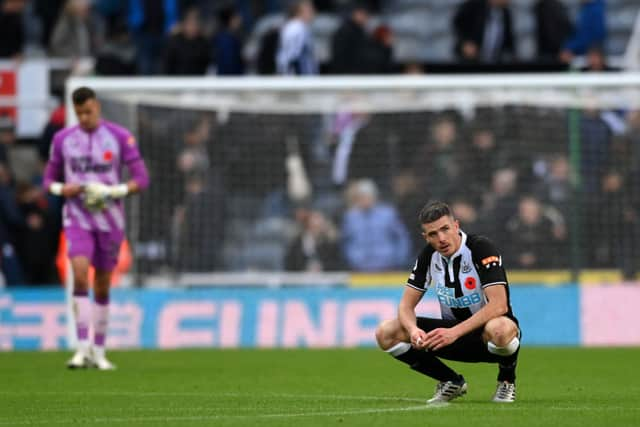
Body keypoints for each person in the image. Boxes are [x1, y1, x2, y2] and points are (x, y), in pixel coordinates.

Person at [43, 87, 149, 370]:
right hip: (77, 217)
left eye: (88, 111)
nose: (84, 117)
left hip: (110, 220)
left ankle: (99, 350)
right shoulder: (63, 139)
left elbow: (142, 179)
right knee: (79, 274)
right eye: (79, 113)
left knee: (102, 283)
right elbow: (48, 180)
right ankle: (81, 348)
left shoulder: (119, 136)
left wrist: (114, 191)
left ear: (97, 107)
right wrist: (61, 188)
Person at [375, 201, 520, 403]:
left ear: (456, 226)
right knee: (386, 332)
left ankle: (506, 381)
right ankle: (450, 381)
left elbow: (499, 305)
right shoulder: (428, 256)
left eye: (445, 229)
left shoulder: (480, 248)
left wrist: (454, 332)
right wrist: (413, 330)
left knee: (500, 329)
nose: (441, 238)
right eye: (433, 234)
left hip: (488, 337)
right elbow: (406, 306)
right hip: (451, 338)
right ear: (426, 237)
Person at [276, 0, 317, 75]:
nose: (314, 12)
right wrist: (298, 81)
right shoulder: (297, 28)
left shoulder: (296, 26)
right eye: (310, 10)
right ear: (299, 12)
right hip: (297, 80)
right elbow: (293, 58)